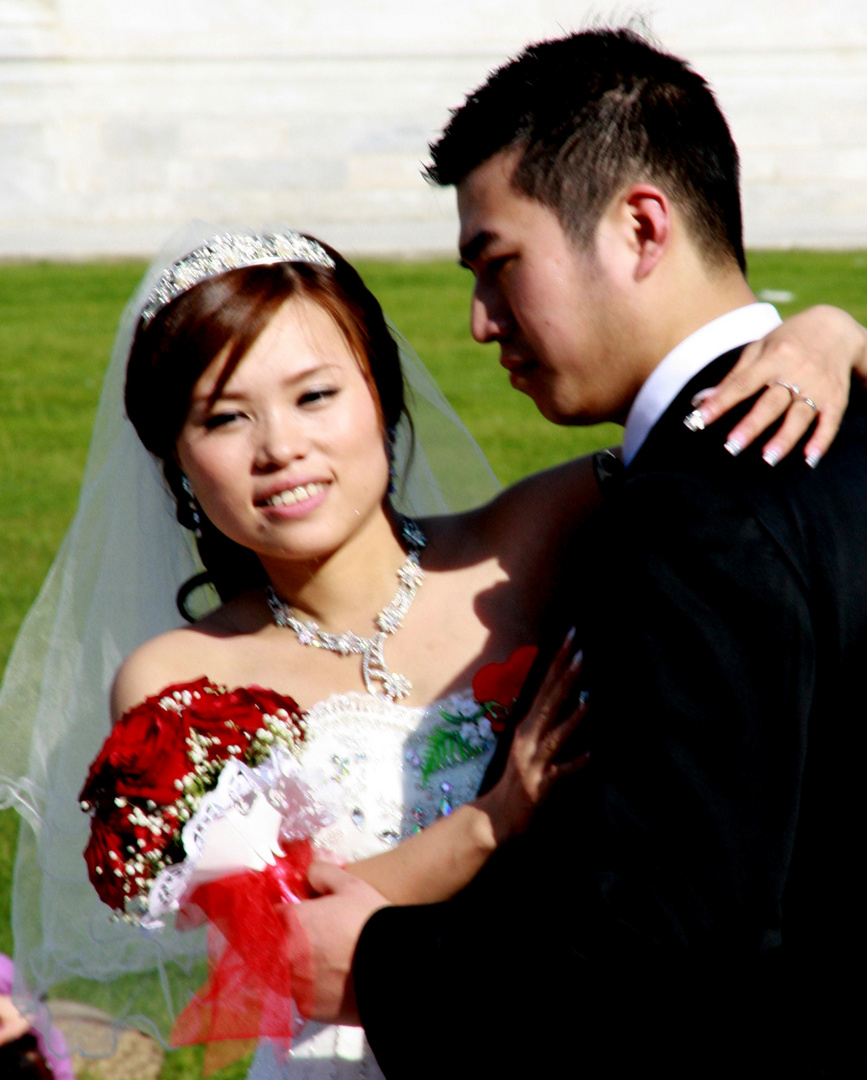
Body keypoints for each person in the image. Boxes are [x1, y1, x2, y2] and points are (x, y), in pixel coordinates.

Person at [0, 222, 861, 1079]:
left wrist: (828, 330)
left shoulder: (537, 535)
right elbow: (282, 946)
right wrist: (491, 820)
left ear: (379, 393)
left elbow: (705, 467)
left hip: (555, 1020)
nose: (280, 449)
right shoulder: (178, 681)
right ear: (175, 460)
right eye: (225, 418)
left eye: (315, 396)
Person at [292, 28, 867, 1079]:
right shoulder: (847, 414)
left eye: (499, 263)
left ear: (640, 226)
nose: (478, 322)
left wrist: (377, 969)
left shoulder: (687, 513)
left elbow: (666, 935)